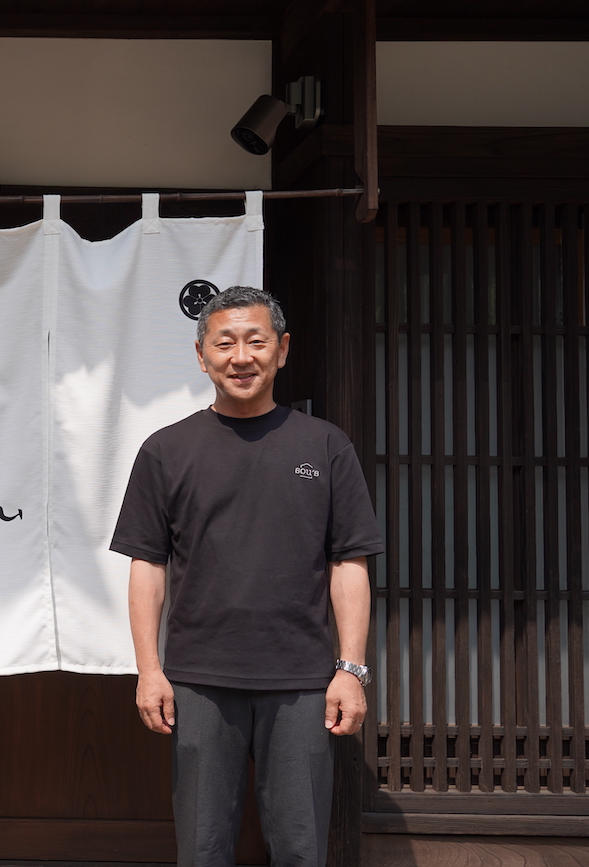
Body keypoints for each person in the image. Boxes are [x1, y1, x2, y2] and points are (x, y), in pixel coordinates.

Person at [110, 285, 382, 867]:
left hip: (302, 680)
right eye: (225, 343)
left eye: (256, 342)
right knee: (202, 848)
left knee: (301, 848)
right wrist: (149, 670)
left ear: (282, 350)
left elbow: (349, 562)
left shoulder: (325, 446)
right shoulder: (165, 450)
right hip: (199, 680)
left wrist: (351, 669)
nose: (241, 357)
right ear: (201, 355)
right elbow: (147, 565)